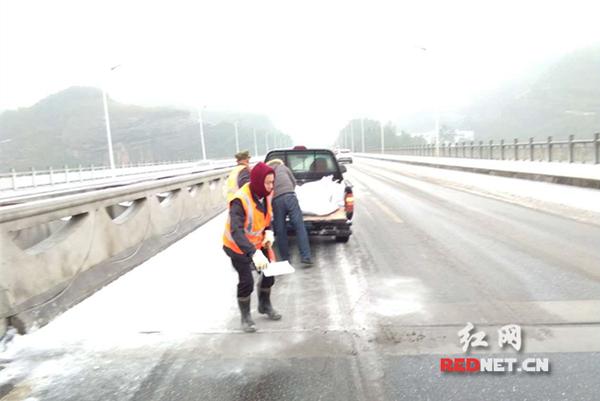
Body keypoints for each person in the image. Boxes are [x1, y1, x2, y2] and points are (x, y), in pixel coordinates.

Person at [223, 162, 281, 333]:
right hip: (236, 246)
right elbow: (236, 231)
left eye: (272, 182)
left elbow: (266, 217)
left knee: (270, 273)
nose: (271, 186)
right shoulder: (240, 200)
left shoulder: (266, 195)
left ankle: (264, 305)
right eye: (268, 183)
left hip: (257, 243)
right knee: (246, 280)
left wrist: (269, 232)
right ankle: (246, 317)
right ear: (257, 182)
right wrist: (253, 253)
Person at [266, 159, 313, 265]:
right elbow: (293, 182)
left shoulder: (268, 174)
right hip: (290, 197)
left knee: (280, 229)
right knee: (299, 226)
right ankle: (306, 257)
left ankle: (285, 259)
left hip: (276, 200)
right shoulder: (284, 168)